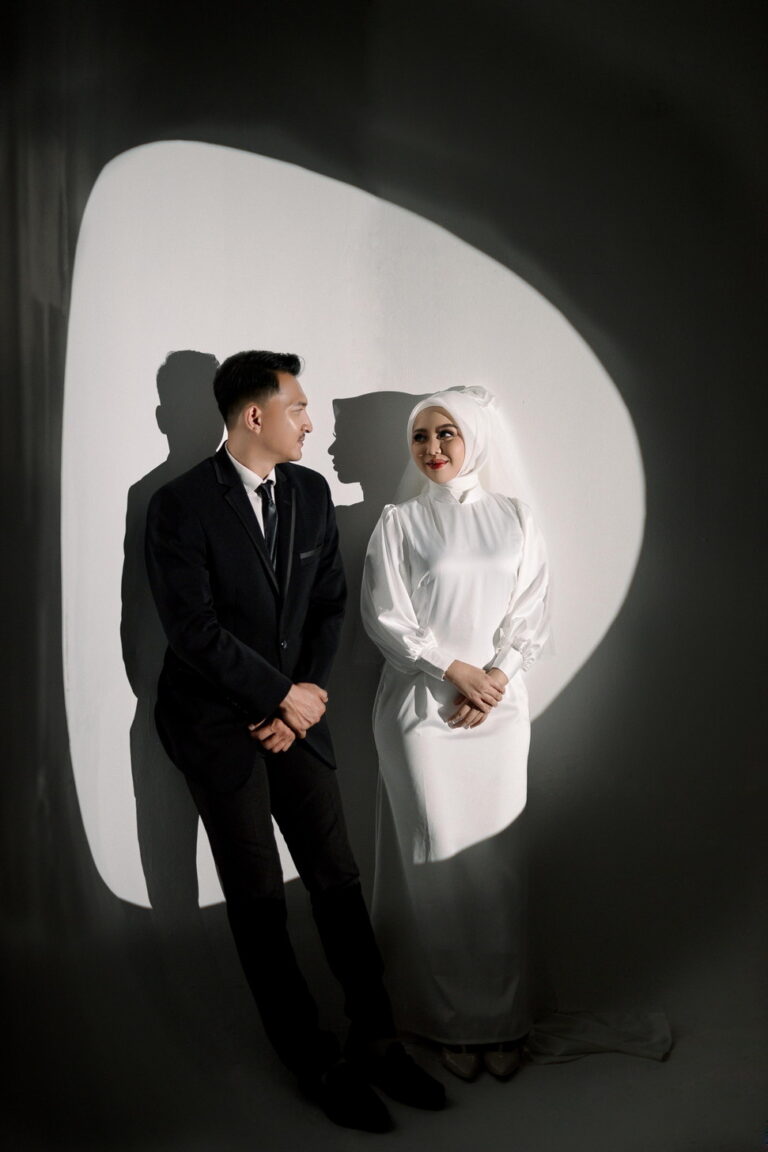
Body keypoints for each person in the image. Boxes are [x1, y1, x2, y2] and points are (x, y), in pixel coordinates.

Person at [144, 351, 445, 1132]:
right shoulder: (177, 505)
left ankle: (377, 1038)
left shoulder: (310, 493)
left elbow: (328, 605)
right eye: (299, 407)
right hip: (215, 728)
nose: (310, 422)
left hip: (296, 717)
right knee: (258, 900)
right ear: (256, 416)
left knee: (337, 877)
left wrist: (299, 702)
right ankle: (314, 1061)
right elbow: (191, 629)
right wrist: (277, 695)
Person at [360, 385, 550, 1082]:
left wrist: (494, 678)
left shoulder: (515, 516)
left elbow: (531, 611)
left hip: (498, 712)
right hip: (422, 713)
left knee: (495, 870)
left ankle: (501, 1021)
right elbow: (385, 617)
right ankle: (447, 1025)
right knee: (434, 865)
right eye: (420, 437)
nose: (433, 448)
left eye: (447, 433)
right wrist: (455, 671)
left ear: (474, 437)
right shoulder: (399, 521)